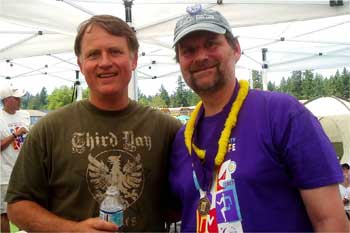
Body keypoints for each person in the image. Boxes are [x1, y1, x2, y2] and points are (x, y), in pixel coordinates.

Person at [169, 5, 349, 232]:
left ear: (236, 49)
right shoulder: (182, 140)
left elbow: (330, 222)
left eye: (211, 44)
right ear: (180, 62)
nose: (201, 56)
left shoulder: (282, 114)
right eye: (188, 51)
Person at [5, 15, 181, 232]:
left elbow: (182, 204)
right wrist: (71, 229)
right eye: (93, 54)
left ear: (134, 60)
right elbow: (17, 206)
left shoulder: (168, 130)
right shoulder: (48, 130)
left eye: (115, 51)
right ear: (81, 64)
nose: (105, 62)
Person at [0, 84, 30, 233]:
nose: (20, 101)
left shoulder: (24, 115)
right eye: (16, 98)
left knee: (24, 210)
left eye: (19, 98)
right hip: (4, 174)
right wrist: (15, 134)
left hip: (23, 172)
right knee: (4, 213)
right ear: (6, 100)